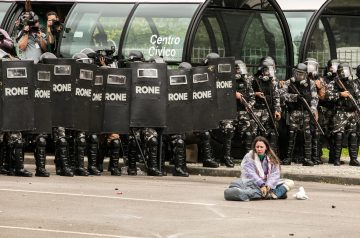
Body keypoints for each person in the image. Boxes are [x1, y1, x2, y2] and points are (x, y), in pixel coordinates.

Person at [224, 136, 294, 201]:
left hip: (268, 184)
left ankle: (273, 194)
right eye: (257, 147)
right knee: (241, 187)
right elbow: (250, 173)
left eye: (261, 147)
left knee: (290, 182)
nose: (259, 149)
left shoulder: (271, 157)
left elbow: (275, 174)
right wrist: (261, 184)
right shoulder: (249, 157)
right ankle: (275, 194)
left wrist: (268, 185)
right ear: (254, 147)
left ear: (266, 147)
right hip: (253, 183)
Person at [280, 63, 318, 166]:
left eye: (301, 74)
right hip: (294, 112)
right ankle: (288, 158)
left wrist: (313, 109)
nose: (299, 76)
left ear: (305, 74)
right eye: (297, 73)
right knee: (292, 134)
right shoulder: (289, 82)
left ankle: (308, 158)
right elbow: (282, 95)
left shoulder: (311, 83)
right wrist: (295, 97)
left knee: (308, 135)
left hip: (307, 112)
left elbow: (315, 98)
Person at [327, 62, 360, 166]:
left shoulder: (353, 83)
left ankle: (353, 159)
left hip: (352, 112)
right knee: (339, 135)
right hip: (340, 112)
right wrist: (340, 94)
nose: (345, 73)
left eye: (346, 70)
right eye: (342, 71)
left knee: (353, 134)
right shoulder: (334, 82)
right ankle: (336, 159)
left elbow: (358, 96)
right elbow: (328, 96)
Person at [252, 56, 281, 155]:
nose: (268, 72)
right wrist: (256, 94)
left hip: (269, 111)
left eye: (270, 69)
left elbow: (276, 97)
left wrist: (277, 110)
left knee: (271, 133)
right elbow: (247, 93)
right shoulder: (253, 79)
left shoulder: (273, 81)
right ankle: (254, 155)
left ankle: (271, 155)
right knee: (254, 133)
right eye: (266, 70)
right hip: (256, 110)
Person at [234, 60, 257, 153]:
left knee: (248, 132)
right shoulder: (228, 81)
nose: (239, 71)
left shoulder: (246, 81)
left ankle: (248, 155)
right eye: (236, 69)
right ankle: (226, 156)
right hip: (230, 111)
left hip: (244, 111)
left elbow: (252, 97)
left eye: (240, 69)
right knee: (229, 132)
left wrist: (249, 106)